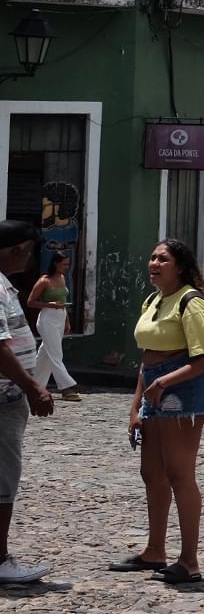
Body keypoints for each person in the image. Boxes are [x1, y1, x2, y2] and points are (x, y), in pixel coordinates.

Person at [111, 239, 204, 586]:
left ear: (181, 267)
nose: (154, 263)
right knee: (151, 473)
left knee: (179, 473)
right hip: (155, 390)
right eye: (152, 256)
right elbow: (147, 358)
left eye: (163, 259)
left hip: (182, 393)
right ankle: (154, 550)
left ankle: (189, 561)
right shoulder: (153, 300)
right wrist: (136, 406)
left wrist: (165, 384)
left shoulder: (191, 302)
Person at [0, 220, 56, 584]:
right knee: (4, 479)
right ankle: (0, 559)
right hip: (3, 398)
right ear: (20, 249)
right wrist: (33, 386)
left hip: (7, 395)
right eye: (30, 250)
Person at [26, 251, 79, 401]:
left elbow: (63, 302)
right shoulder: (44, 281)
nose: (67, 267)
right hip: (47, 318)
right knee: (56, 353)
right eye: (64, 264)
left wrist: (67, 320)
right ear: (56, 263)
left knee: (46, 354)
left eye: (68, 264)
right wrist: (50, 304)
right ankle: (67, 388)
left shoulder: (62, 278)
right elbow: (30, 302)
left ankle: (33, 384)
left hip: (60, 317)